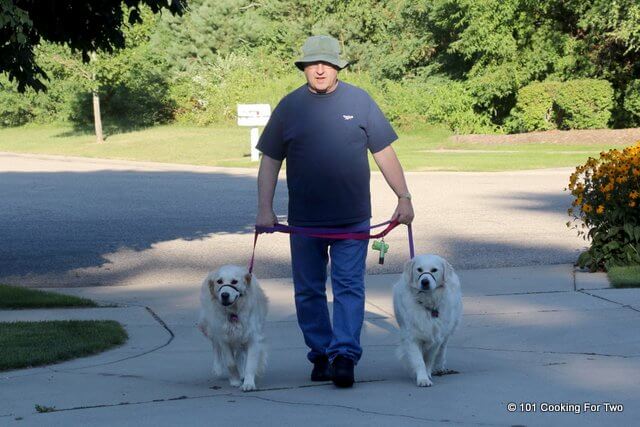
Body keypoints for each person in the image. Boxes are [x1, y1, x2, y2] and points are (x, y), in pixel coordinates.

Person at [256, 35, 414, 388]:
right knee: (308, 291)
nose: (320, 69)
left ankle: (344, 355)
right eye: (313, 64)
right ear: (304, 68)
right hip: (304, 222)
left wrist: (403, 196)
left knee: (348, 287)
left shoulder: (360, 101)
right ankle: (321, 353)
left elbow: (384, 153)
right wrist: (265, 209)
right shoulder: (289, 107)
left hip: (352, 218)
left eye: (327, 63)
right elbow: (269, 161)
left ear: (338, 66)